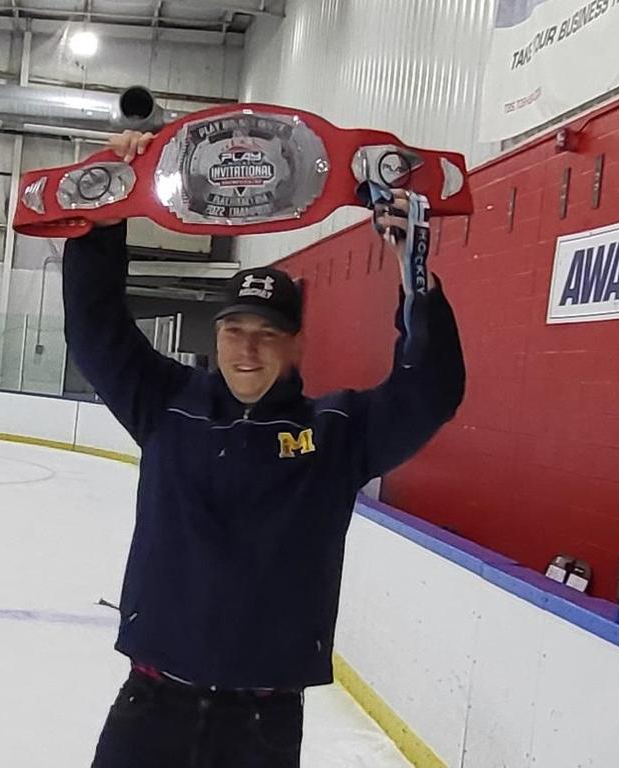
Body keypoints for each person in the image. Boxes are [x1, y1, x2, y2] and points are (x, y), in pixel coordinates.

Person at [63, 130, 465, 768]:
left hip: (260, 726)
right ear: (216, 337)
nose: (246, 349)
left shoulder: (338, 433)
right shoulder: (166, 405)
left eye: (267, 334)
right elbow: (94, 331)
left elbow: (430, 392)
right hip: (151, 707)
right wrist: (105, 220)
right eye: (234, 331)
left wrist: (417, 279)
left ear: (297, 343)